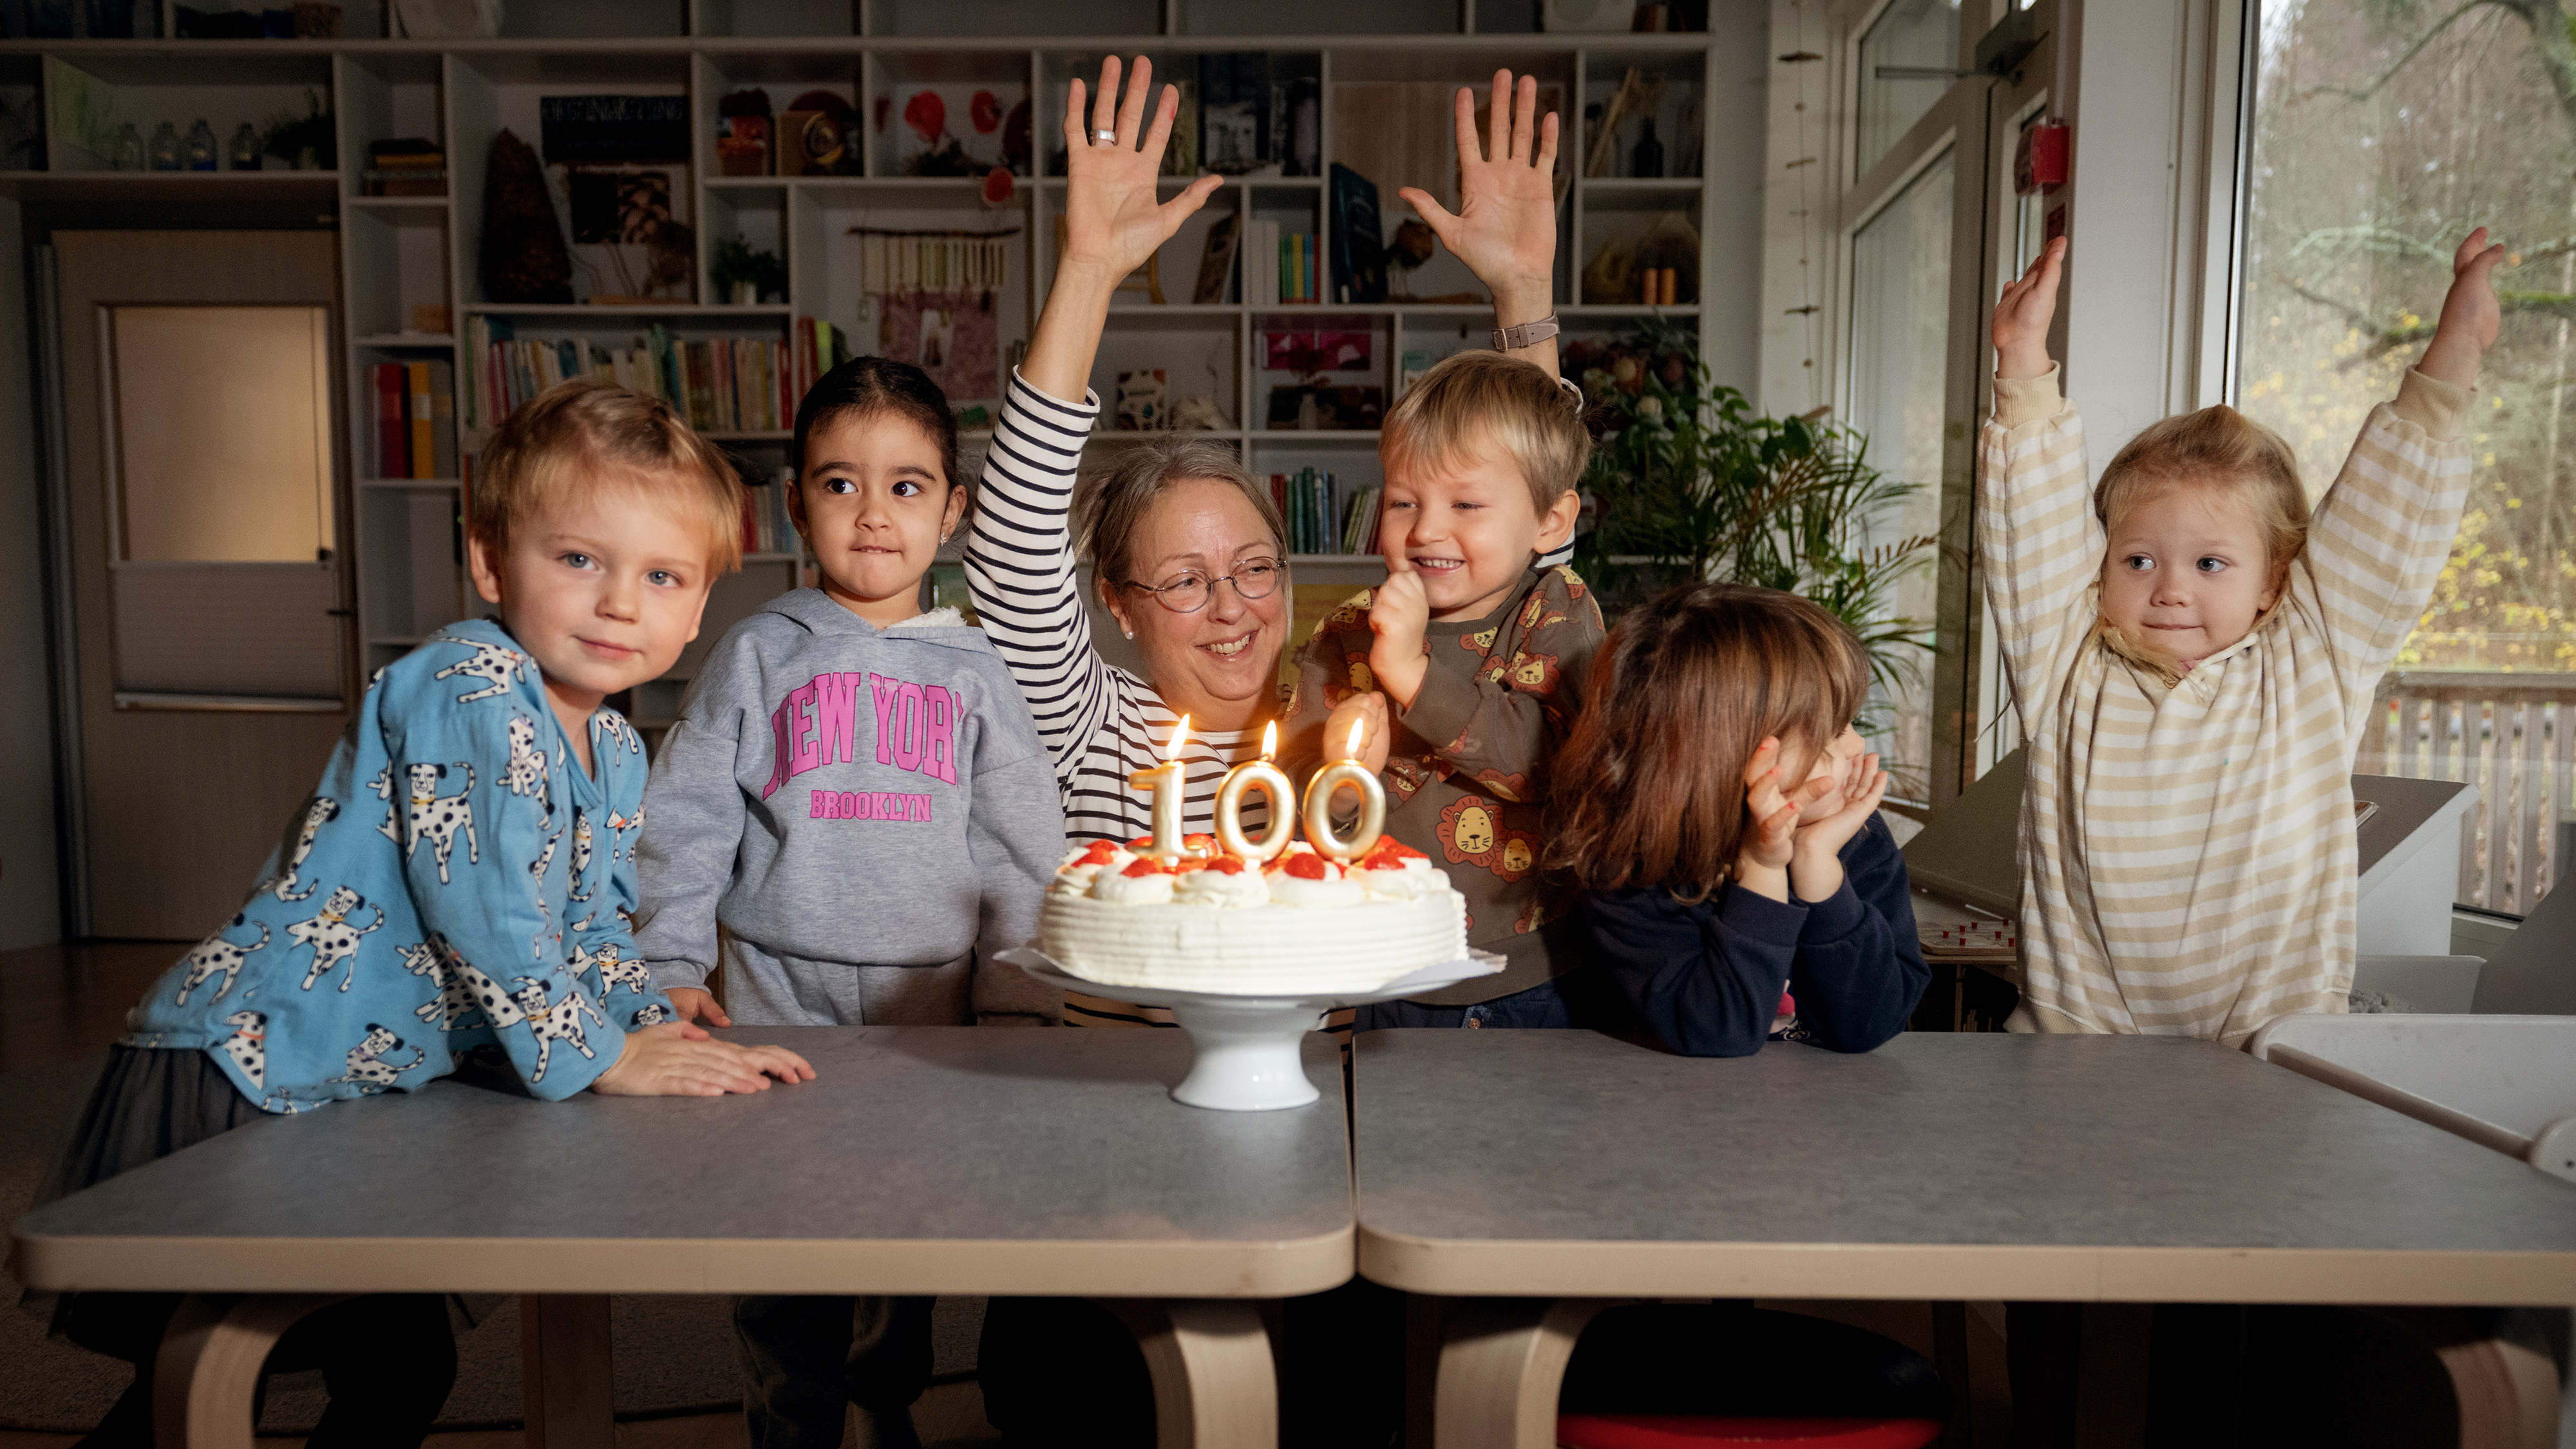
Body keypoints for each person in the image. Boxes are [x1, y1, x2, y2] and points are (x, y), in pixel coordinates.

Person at [30, 380, 816, 1449]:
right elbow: (488, 908)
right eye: (578, 559)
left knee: (400, 1365)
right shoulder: (471, 681)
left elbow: (591, 923)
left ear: (698, 608)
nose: (619, 603)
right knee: (217, 1366)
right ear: (492, 561)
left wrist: (654, 1030)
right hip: (256, 1064)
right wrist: (603, 1057)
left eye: (662, 576)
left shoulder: (617, 747)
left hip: (358, 1083)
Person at [961, 57, 1565, 1448]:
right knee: (1063, 1396)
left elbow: (1523, 534)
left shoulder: (1367, 694)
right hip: (1119, 1134)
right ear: (1118, 607)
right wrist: (1087, 273)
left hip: (1335, 1137)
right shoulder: (1089, 719)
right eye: (1183, 583)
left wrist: (1524, 299)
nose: (1231, 607)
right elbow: (1007, 559)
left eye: (1252, 568)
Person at [632, 356, 1065, 1449]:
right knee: (787, 1233)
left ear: (953, 512)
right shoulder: (756, 653)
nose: (874, 514)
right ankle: (793, 1417)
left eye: (907, 486)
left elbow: (1020, 850)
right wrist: (668, 964)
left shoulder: (978, 670)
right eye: (841, 483)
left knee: (907, 1228)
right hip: (781, 993)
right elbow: (686, 821)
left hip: (932, 1008)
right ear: (796, 502)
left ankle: (888, 1386)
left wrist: (1018, 995)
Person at [1982, 229, 2500, 1046]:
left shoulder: (2313, 657)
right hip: (2080, 1044)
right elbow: (2032, 529)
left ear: (2272, 582)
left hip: (2268, 1045)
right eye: (2138, 559)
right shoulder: (2068, 660)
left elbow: (2386, 515)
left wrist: (2456, 351)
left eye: (2210, 563)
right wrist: (2021, 364)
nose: (2170, 588)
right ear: (2101, 566)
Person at [1276, 345, 1605, 1028]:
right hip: (1388, 971)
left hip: (1538, 974)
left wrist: (1414, 677)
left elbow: (1557, 765)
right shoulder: (1347, 630)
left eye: (1466, 503)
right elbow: (1296, 794)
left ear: (1551, 520)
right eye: (1403, 501)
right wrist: (1340, 784)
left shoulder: (1557, 609)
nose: (1426, 529)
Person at [1551, 583, 1926, 1056]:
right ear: (1726, 758)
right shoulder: (1629, 868)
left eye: (1851, 723)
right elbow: (1718, 1032)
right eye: (1830, 733)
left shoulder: (1856, 841)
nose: (1856, 747)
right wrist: (1762, 867)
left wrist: (1817, 867)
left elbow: (1871, 1024)